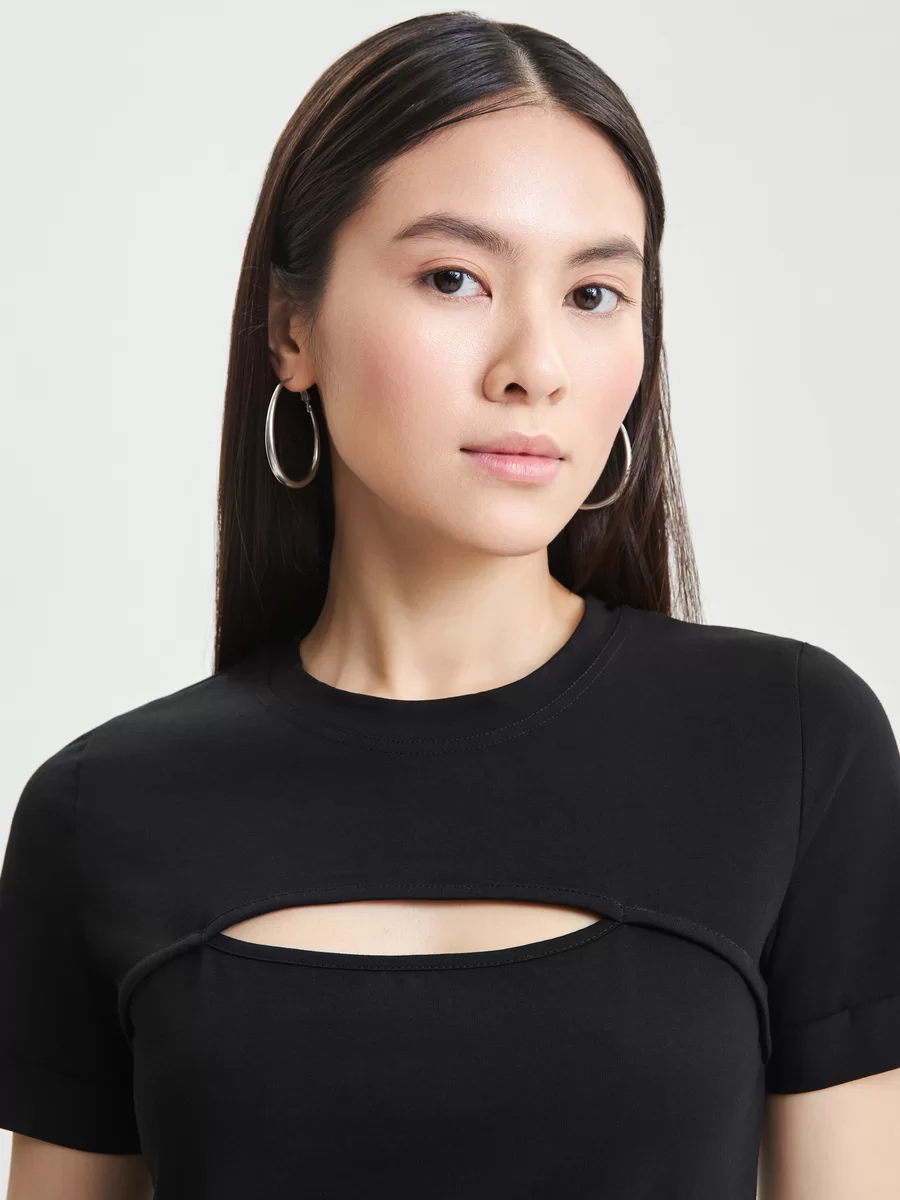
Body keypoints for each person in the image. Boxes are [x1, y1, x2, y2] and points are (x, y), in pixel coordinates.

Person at [1, 11, 899, 1199]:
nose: (536, 366)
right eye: (454, 278)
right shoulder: (98, 814)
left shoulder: (790, 745)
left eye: (595, 294)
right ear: (291, 331)